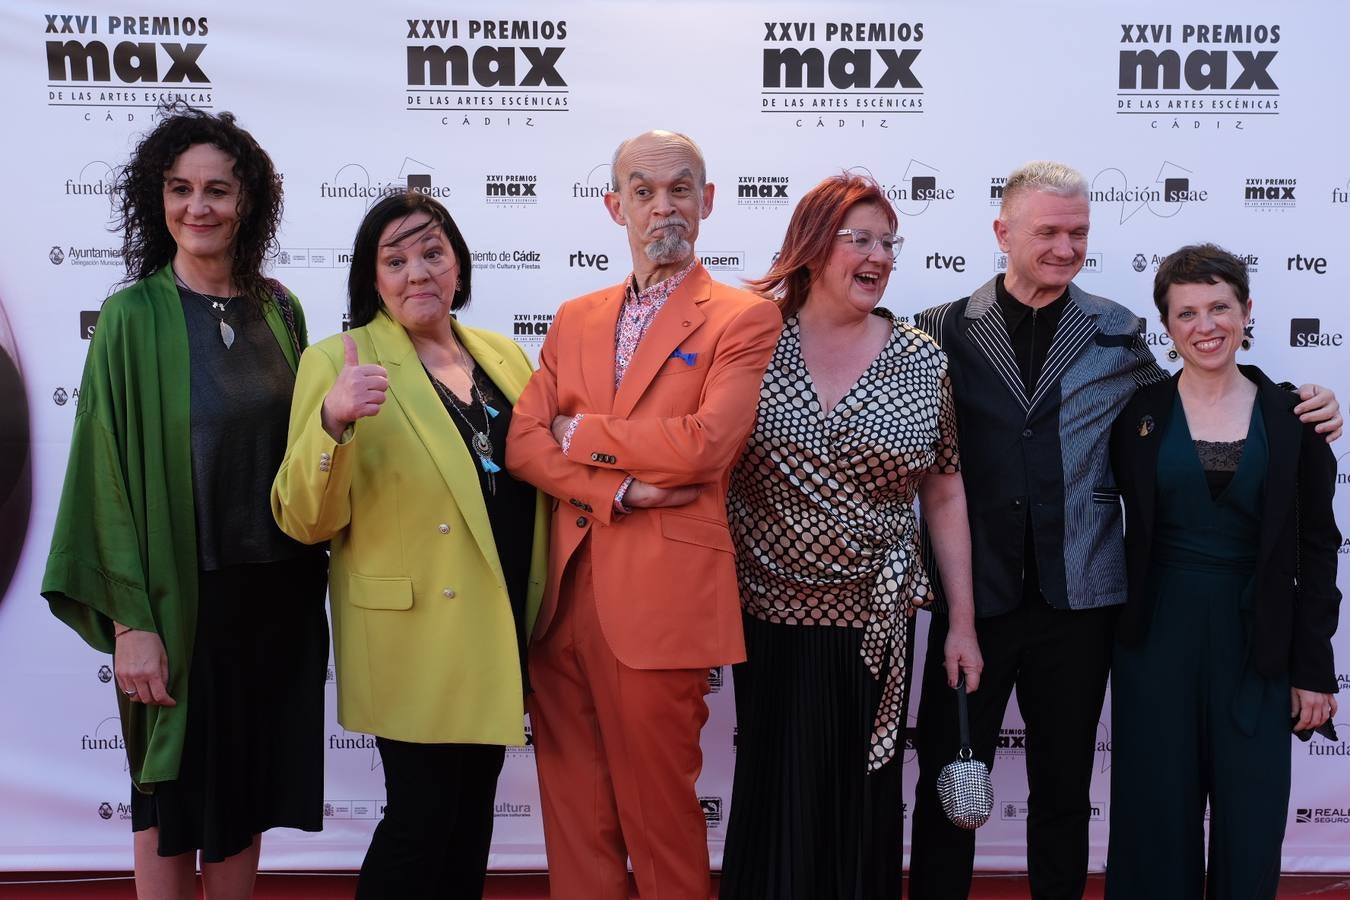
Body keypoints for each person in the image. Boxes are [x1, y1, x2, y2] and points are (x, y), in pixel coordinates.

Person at [908, 161, 1341, 900]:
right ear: (1001, 232)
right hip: (972, 605)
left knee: (1065, 794)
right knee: (951, 784)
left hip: (1083, 605)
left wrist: (1304, 403)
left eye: (1078, 232)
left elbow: (1196, 397)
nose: (1065, 246)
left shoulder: (1116, 332)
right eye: (1047, 231)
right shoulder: (937, 331)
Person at [42, 105, 327, 899]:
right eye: (179, 188)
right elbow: (102, 476)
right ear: (156, 198)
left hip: (274, 596)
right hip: (177, 600)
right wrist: (131, 623)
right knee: (167, 802)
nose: (197, 207)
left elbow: (304, 455)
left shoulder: (282, 310)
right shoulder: (131, 318)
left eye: (217, 190)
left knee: (242, 803)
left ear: (249, 203)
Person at [505, 129, 781, 900]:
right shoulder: (573, 316)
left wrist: (583, 435)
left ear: (709, 201)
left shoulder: (742, 317)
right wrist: (615, 489)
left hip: (662, 606)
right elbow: (523, 443)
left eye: (681, 188)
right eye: (644, 190)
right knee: (575, 822)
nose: (664, 205)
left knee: (660, 824)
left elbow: (703, 447)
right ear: (614, 206)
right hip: (560, 604)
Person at [271, 191, 548, 899]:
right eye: (395, 259)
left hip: (498, 622)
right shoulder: (335, 360)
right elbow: (302, 519)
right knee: (422, 820)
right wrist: (333, 425)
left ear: (458, 265)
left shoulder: (504, 354)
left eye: (433, 252)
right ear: (372, 277)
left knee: (470, 822)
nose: (417, 272)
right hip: (414, 630)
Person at [719, 173, 982, 899]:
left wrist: (962, 621)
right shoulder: (748, 339)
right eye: (858, 239)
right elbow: (696, 449)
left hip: (876, 621)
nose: (878, 256)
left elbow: (946, 487)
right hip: (764, 614)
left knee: (861, 799)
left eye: (888, 243)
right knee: (776, 788)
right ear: (810, 248)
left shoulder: (920, 357)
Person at [1106, 244, 1340, 898]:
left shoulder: (1296, 418)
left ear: (1246, 312)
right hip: (1156, 645)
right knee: (1155, 822)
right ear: (1168, 326)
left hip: (1258, 648)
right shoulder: (1135, 415)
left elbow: (1318, 551)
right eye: (1186, 314)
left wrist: (1314, 669)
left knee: (1252, 822)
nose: (1204, 326)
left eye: (1219, 307)